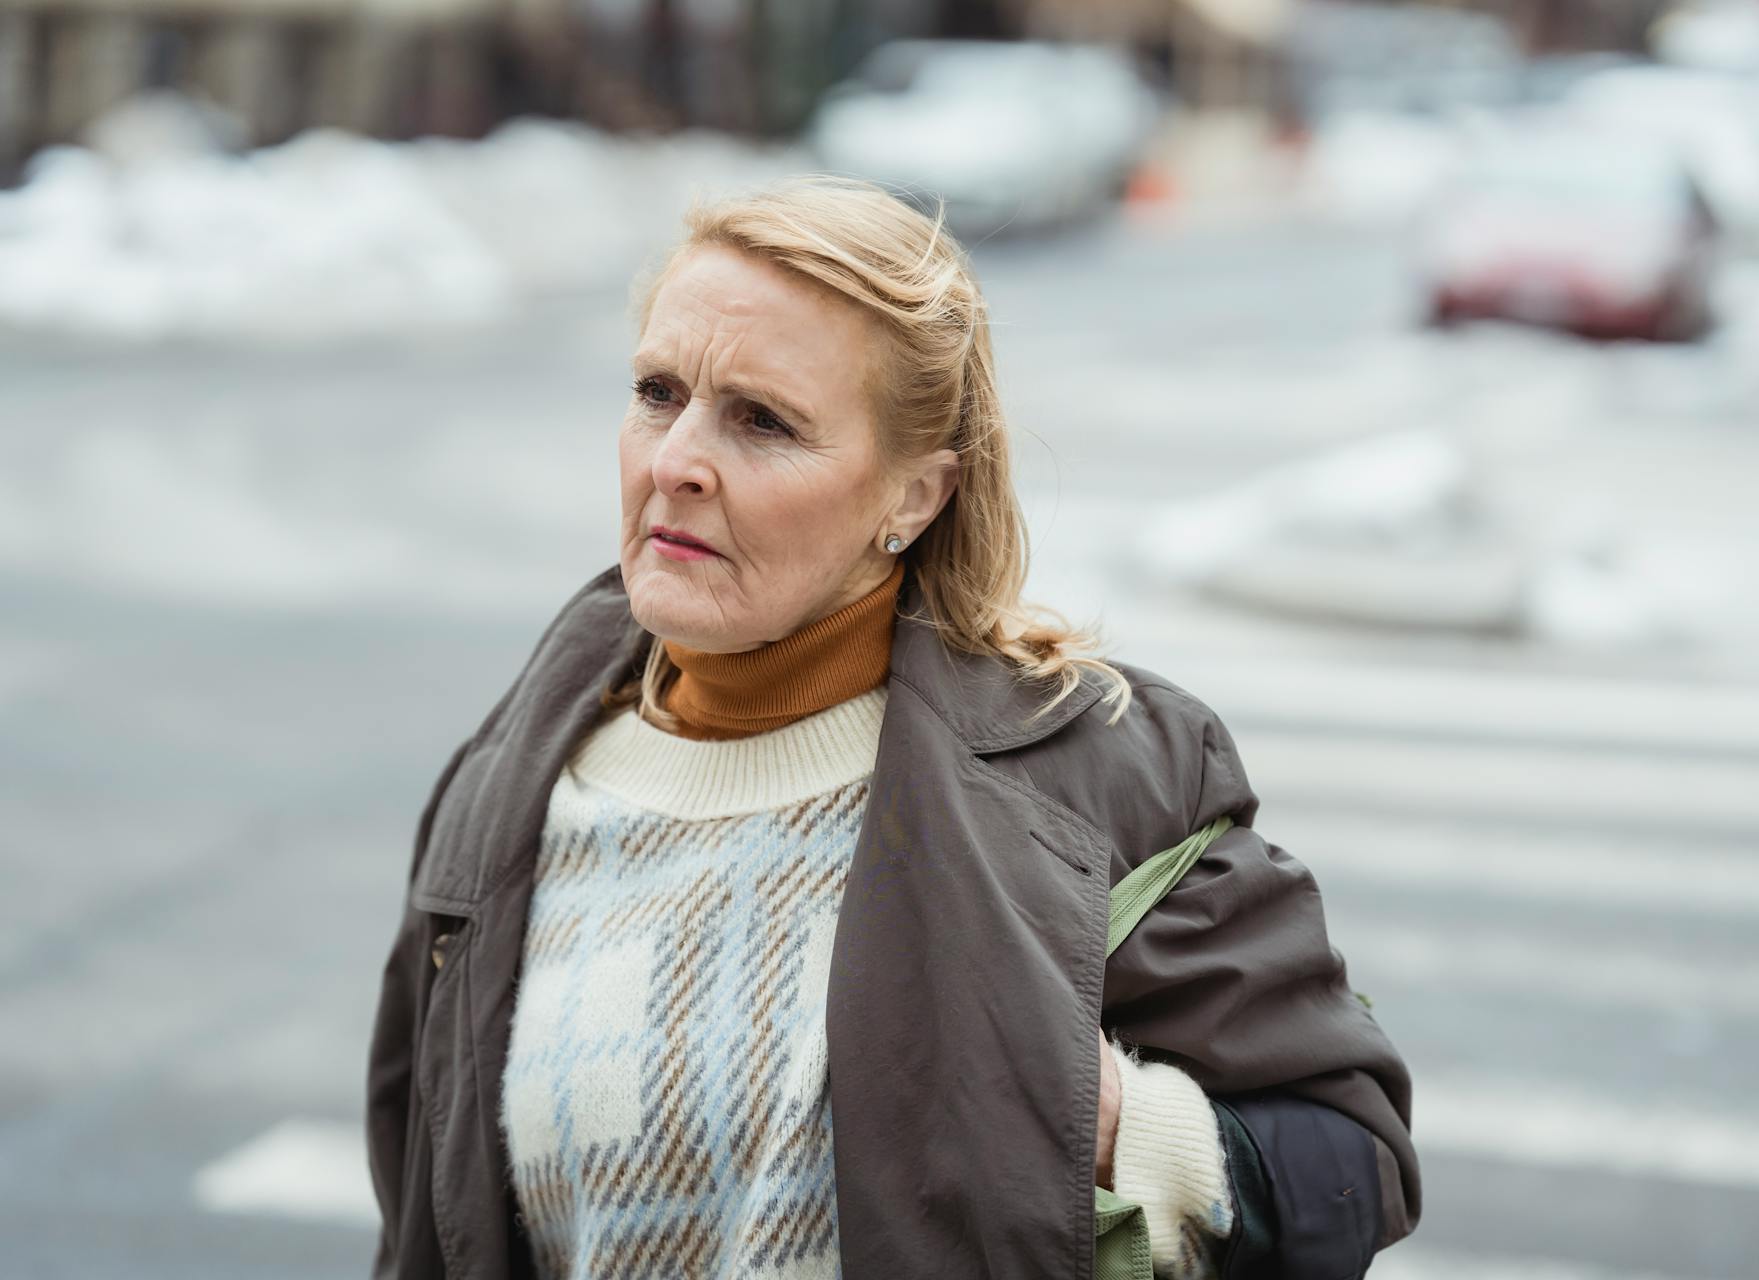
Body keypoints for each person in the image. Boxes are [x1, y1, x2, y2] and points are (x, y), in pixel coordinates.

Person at [365, 175, 1419, 1280]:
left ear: (912, 497)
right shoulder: (514, 779)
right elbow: (427, 1225)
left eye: (763, 420)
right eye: (657, 392)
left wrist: (1100, 1117)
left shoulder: (1094, 771)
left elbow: (1346, 1167)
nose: (676, 459)